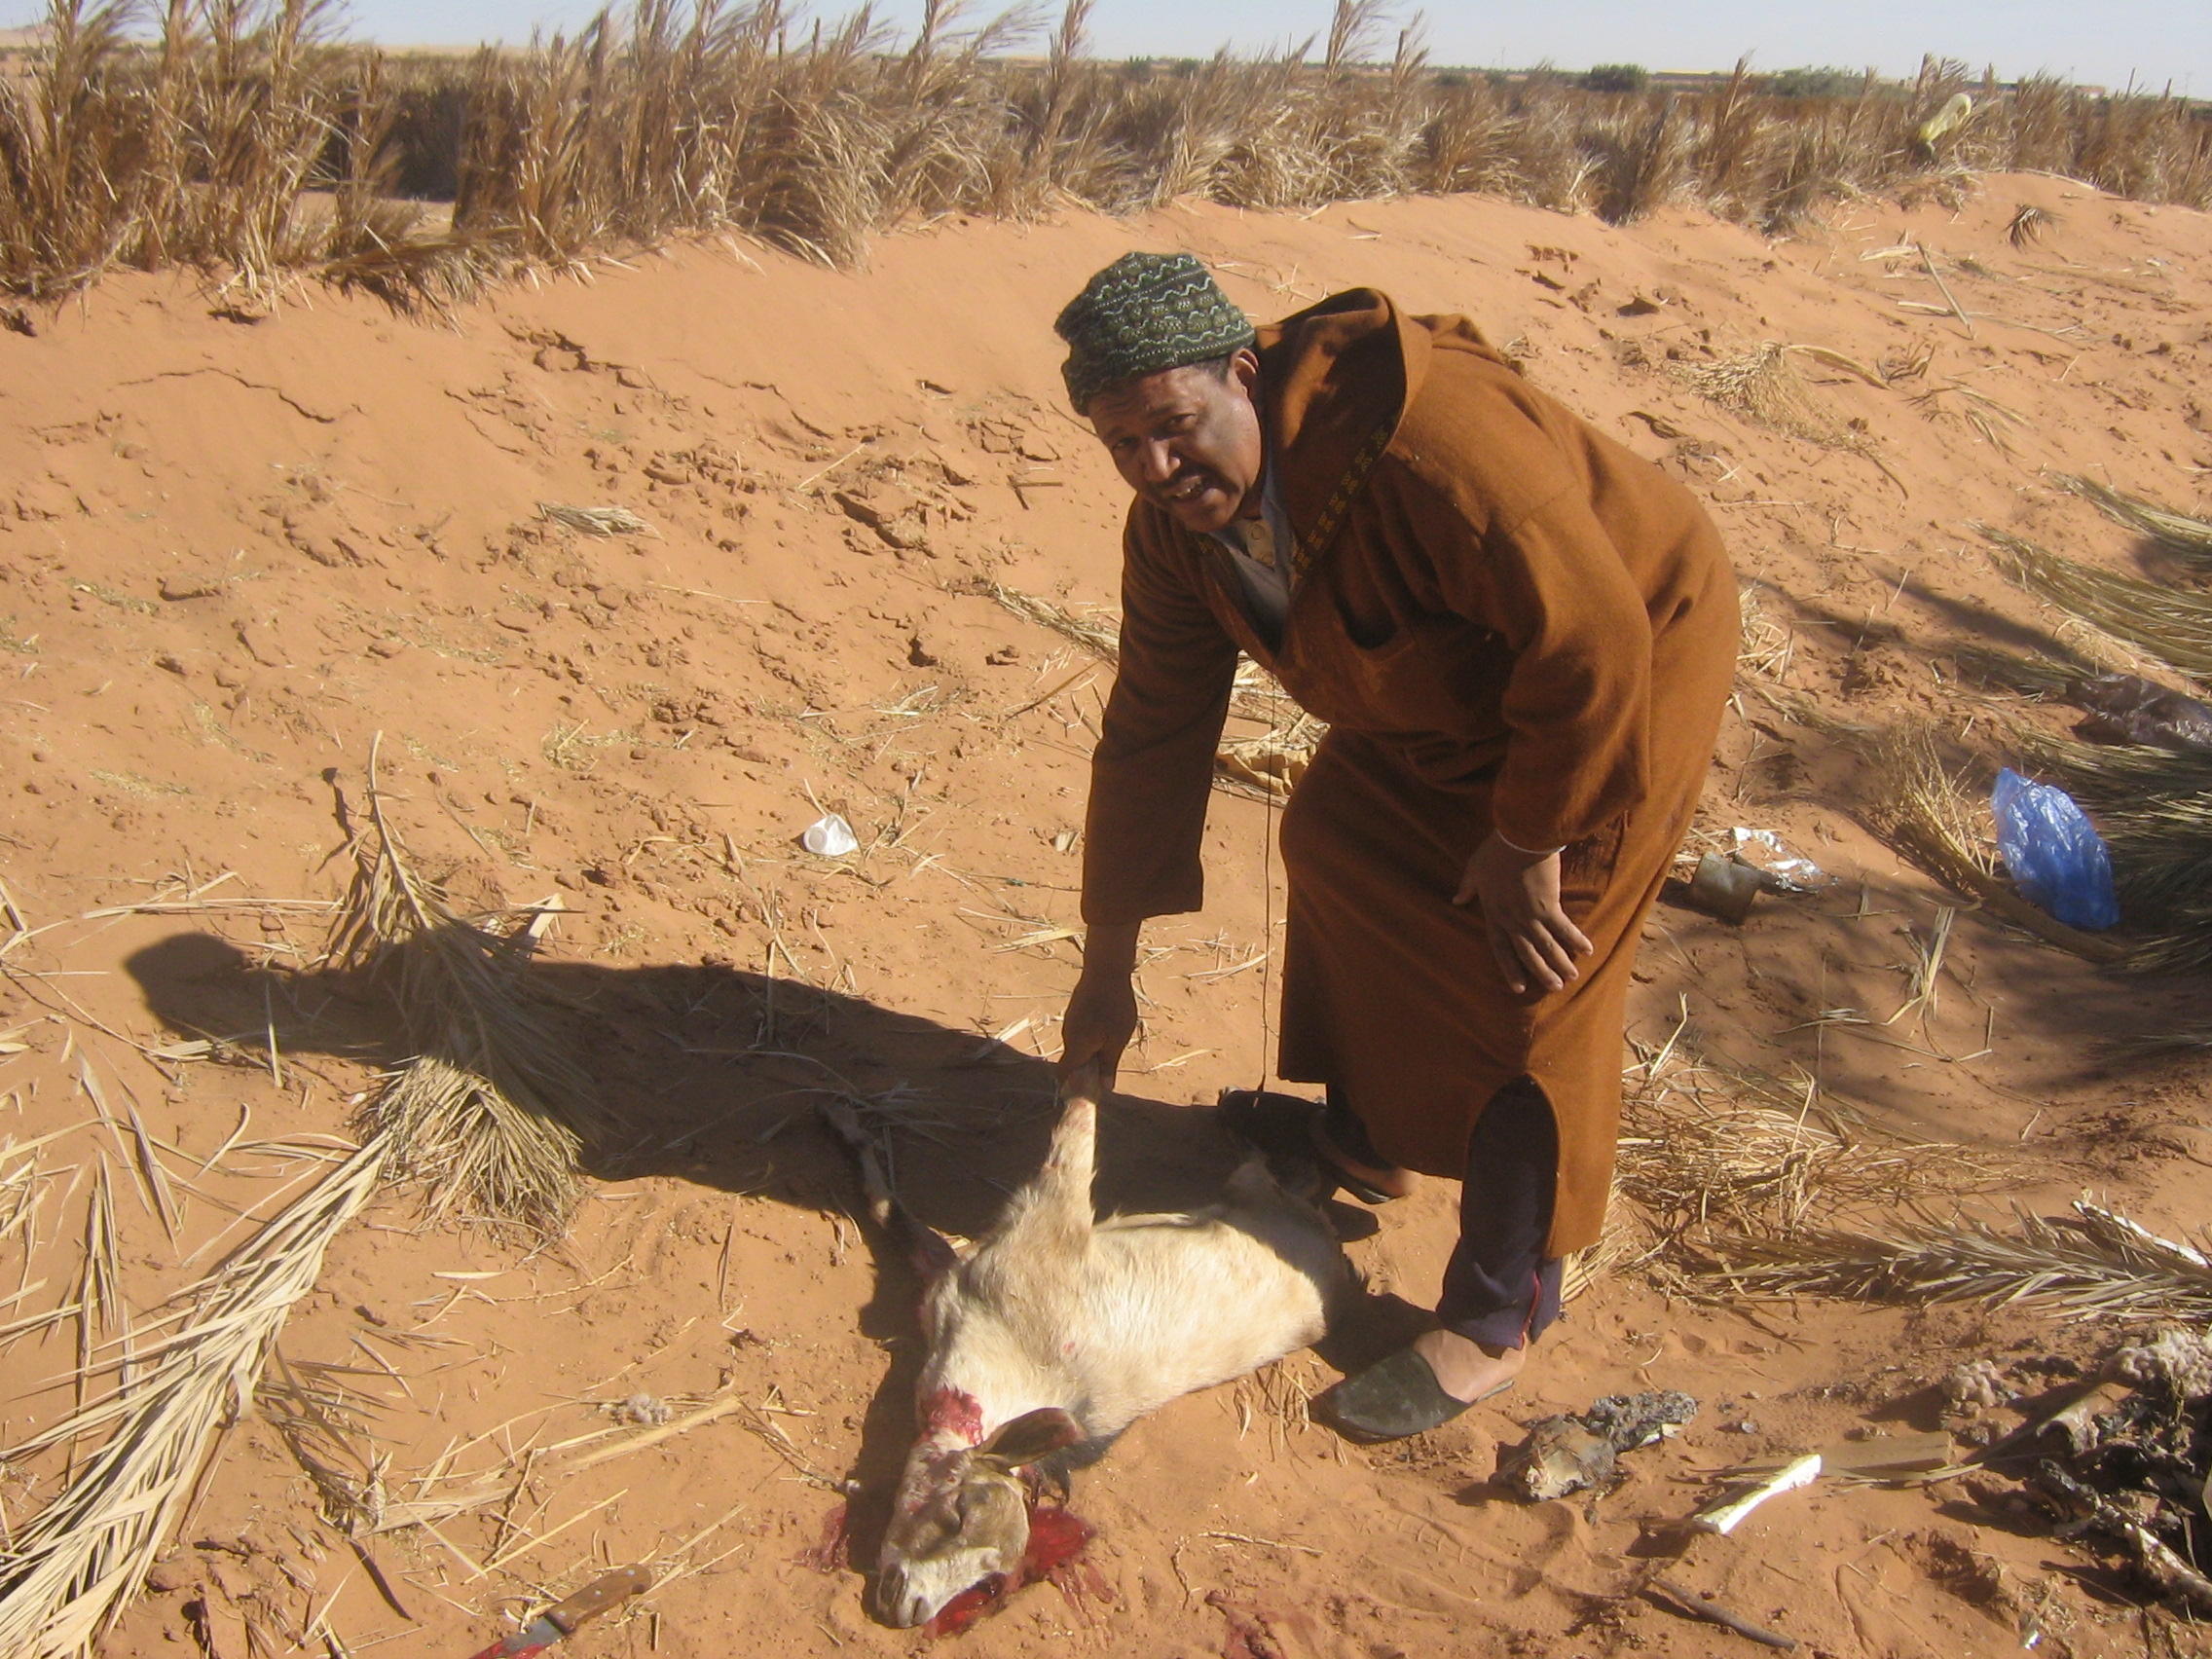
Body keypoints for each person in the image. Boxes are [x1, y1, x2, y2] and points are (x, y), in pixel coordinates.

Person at [1051, 251, 1738, 1442]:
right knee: (1341, 837)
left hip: (1625, 661)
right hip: (1449, 683)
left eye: (1173, 428)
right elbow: (1152, 731)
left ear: (1242, 374)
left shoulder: (1432, 453)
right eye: (1123, 447)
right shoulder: (1177, 535)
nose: (1157, 470)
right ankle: (1368, 1141)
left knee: (1537, 975)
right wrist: (1105, 966)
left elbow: (1591, 644)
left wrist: (1527, 838)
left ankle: (1496, 1315)